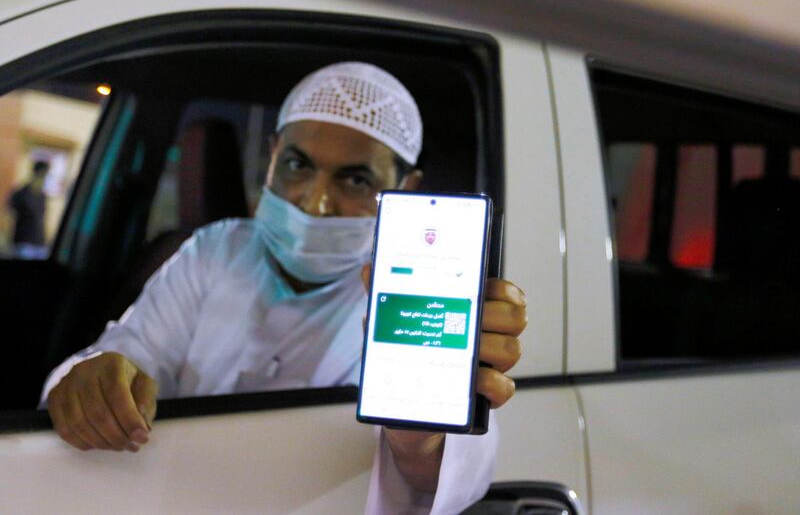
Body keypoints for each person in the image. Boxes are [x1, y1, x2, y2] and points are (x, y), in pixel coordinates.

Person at [42, 62, 526, 513]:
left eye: (354, 180)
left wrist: (420, 434)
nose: (315, 203)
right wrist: (93, 380)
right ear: (272, 155)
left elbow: (436, 477)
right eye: (298, 165)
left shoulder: (419, 296)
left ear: (408, 188)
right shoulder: (214, 250)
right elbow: (132, 353)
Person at [8, 160, 49, 259]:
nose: (45, 178)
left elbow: (42, 218)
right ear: (37, 173)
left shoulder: (42, 196)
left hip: (39, 242)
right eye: (44, 175)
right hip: (23, 242)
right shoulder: (21, 193)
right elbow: (8, 215)